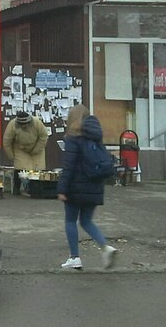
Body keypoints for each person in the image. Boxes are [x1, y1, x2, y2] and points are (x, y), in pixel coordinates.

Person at [57, 114, 118, 270]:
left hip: (75, 188)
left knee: (70, 221)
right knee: (86, 221)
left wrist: (62, 188)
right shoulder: (98, 141)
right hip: (95, 189)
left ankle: (74, 257)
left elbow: (68, 167)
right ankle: (105, 247)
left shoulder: (73, 140)